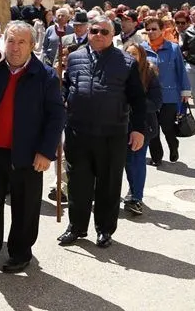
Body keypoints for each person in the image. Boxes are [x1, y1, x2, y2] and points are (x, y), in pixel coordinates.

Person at [0, 21, 65, 280]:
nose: (15, 48)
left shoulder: (44, 75)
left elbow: (56, 116)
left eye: (21, 42)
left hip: (28, 154)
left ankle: (20, 253)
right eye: (11, 41)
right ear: (3, 42)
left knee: (25, 207)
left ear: (32, 46)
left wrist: (46, 152)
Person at [58, 16, 145, 249]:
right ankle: (76, 227)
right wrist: (61, 104)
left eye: (104, 32)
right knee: (78, 183)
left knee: (108, 184)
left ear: (112, 35)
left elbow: (138, 99)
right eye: (94, 30)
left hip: (111, 134)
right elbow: (66, 88)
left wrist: (138, 129)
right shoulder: (74, 58)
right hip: (78, 132)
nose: (98, 35)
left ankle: (105, 229)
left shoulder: (126, 62)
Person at [143, 17, 191, 165]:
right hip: (149, 95)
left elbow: (181, 70)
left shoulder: (173, 48)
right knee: (152, 127)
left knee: (167, 125)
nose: (151, 32)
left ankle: (173, 144)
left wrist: (185, 90)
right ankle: (156, 157)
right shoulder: (142, 48)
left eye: (154, 29)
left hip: (169, 94)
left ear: (162, 29)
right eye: (148, 29)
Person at [122, 44, 162, 216]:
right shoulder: (119, 71)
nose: (131, 57)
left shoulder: (149, 73)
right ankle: (131, 191)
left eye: (135, 54)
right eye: (128, 54)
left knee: (137, 161)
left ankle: (136, 198)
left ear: (141, 56)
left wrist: (136, 102)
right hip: (120, 125)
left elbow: (156, 102)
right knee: (126, 162)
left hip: (143, 126)